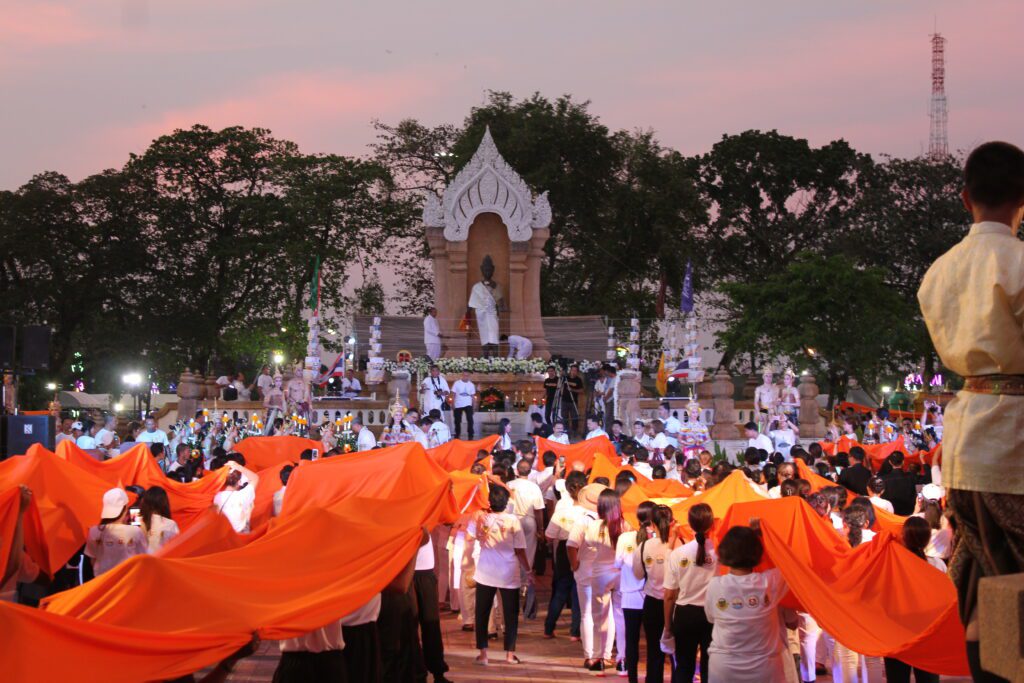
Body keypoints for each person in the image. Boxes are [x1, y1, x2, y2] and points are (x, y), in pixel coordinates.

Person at [917, 141, 1024, 682]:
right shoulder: (1021, 262)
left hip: (965, 440)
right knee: (1012, 587)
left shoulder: (939, 271)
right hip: (1013, 440)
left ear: (966, 199)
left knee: (984, 583)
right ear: (1023, 201)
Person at [705, 526, 790, 682]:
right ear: (757, 552)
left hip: (724, 668)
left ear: (724, 552)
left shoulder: (715, 585)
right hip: (765, 669)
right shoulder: (769, 582)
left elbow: (711, 618)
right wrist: (764, 536)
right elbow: (792, 560)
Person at [468, 485, 532, 665]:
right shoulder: (513, 521)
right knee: (510, 613)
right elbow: (520, 550)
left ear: (490, 502)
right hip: (508, 572)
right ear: (506, 503)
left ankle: (483, 654)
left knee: (482, 612)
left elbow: (470, 536)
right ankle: (510, 655)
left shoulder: (482, 518)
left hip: (486, 571)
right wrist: (528, 571)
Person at [570, 488, 626, 675]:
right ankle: (621, 658)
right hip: (619, 574)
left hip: (599, 574)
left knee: (597, 616)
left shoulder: (594, 526)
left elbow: (589, 543)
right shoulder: (626, 525)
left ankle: (598, 658)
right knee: (619, 616)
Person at [662, 503, 716, 683]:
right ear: (712, 524)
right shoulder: (721, 553)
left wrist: (668, 626)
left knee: (684, 667)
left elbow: (669, 595)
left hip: (685, 615)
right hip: (713, 615)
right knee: (711, 668)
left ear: (690, 524)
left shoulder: (678, 554)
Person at [544, 471, 587, 641]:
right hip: (582, 550)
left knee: (561, 590)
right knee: (579, 590)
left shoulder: (562, 508)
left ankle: (549, 628)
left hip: (563, 550)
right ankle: (575, 632)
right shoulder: (590, 511)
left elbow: (549, 535)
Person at [633, 504, 673, 683]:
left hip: (652, 601)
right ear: (672, 521)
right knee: (676, 651)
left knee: (653, 650)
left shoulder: (644, 546)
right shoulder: (681, 545)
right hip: (675, 604)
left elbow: (638, 574)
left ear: (653, 523)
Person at [615, 500, 654, 683]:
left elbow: (617, 564)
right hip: (652, 597)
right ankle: (653, 677)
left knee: (631, 640)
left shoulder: (624, 538)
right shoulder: (658, 540)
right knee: (654, 641)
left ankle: (632, 677)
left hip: (630, 597)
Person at [509, 459, 545, 619]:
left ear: (517, 470)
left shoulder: (510, 484)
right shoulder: (534, 487)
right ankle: (524, 585)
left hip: (513, 521)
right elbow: (538, 511)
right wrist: (541, 528)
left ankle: (514, 582)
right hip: (529, 521)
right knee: (528, 554)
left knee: (513, 553)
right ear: (529, 472)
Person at [85, 488, 148, 575]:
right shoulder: (135, 531)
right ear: (126, 507)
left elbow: (93, 561)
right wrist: (136, 517)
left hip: (103, 581)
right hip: (127, 581)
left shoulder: (94, 531)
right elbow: (144, 554)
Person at [467, 255, 503, 357]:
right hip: (481, 315)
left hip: (493, 315)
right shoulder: (477, 287)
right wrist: (467, 315)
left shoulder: (497, 286)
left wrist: (494, 289)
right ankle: (485, 359)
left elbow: (502, 304)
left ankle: (496, 361)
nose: (487, 272)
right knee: (485, 338)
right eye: (485, 270)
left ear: (493, 270)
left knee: (494, 337)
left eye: (489, 270)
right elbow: (471, 303)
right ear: (481, 270)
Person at [213, 461, 260, 533]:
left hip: (222, 534)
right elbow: (255, 478)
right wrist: (238, 466)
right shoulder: (241, 496)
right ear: (238, 482)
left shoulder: (215, 496)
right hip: (241, 534)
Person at [139, 486, 179, 554]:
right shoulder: (171, 524)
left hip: (143, 561)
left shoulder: (140, 522)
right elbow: (177, 548)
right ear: (164, 503)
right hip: (163, 561)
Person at [451, 370, 476, 440]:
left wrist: (474, 407)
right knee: (457, 421)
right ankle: (457, 435)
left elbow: (473, 397)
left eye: (467, 376)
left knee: (470, 420)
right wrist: (452, 403)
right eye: (464, 375)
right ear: (462, 375)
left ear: (469, 376)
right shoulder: (457, 383)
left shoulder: (471, 385)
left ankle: (470, 435)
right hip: (458, 404)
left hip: (468, 404)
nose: (466, 377)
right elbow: (453, 395)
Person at [562, 365, 585, 436]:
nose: (573, 372)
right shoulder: (565, 378)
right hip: (564, 401)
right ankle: (566, 431)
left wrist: (573, 390)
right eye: (572, 370)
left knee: (574, 417)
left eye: (575, 370)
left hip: (573, 402)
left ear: (577, 372)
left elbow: (581, 390)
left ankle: (574, 431)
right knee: (564, 417)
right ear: (570, 370)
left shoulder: (578, 380)